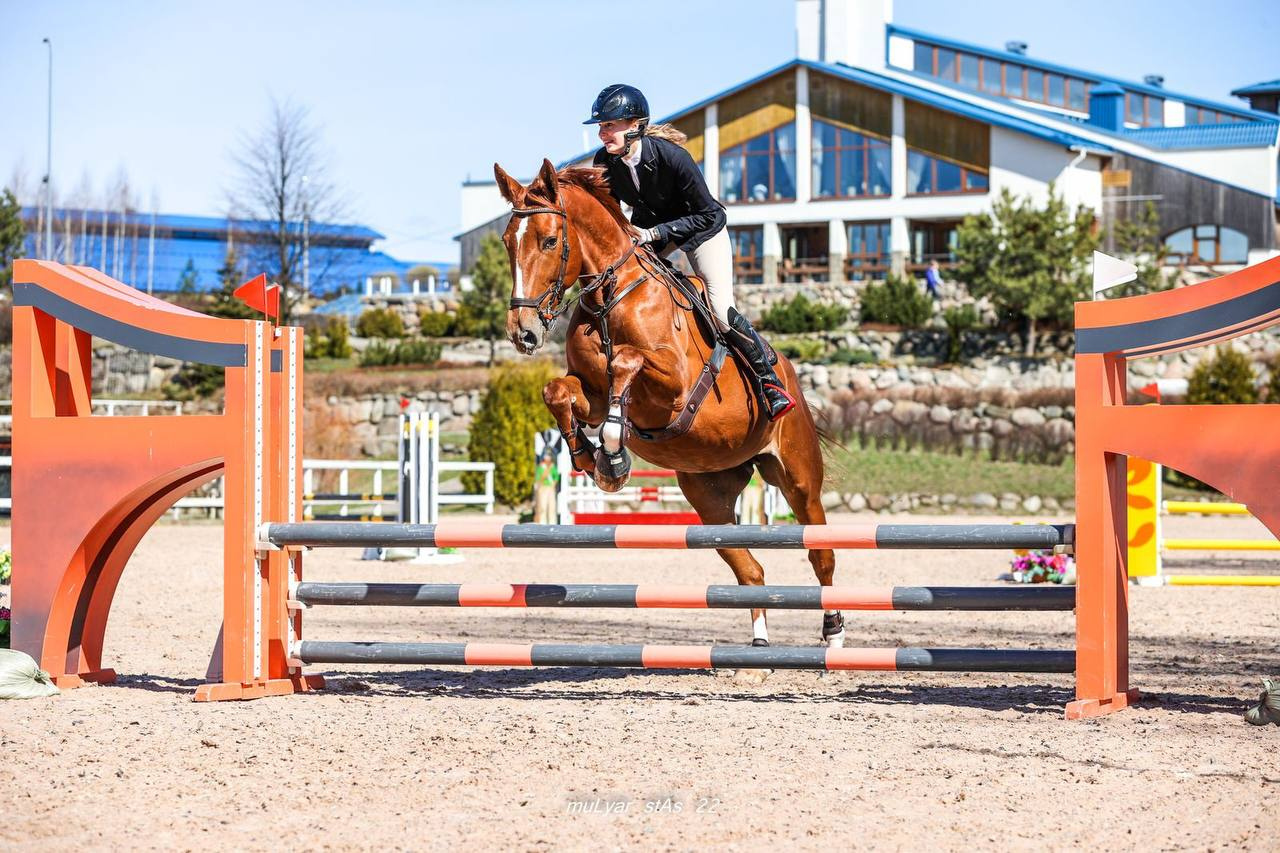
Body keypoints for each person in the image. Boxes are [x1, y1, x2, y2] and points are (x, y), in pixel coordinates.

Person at [584, 83, 795, 421]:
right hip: (651, 231)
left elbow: (712, 214)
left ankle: (769, 382)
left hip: (701, 229)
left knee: (720, 310)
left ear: (635, 125)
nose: (602, 134)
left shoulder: (672, 157)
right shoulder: (604, 161)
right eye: (601, 127)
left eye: (609, 125)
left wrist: (655, 232)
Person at [532, 446, 559, 525]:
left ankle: (552, 523)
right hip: (543, 488)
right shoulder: (540, 467)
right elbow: (539, 479)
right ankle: (542, 523)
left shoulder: (553, 467)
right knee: (542, 507)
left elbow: (556, 477)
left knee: (552, 507)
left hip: (550, 488)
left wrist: (553, 484)